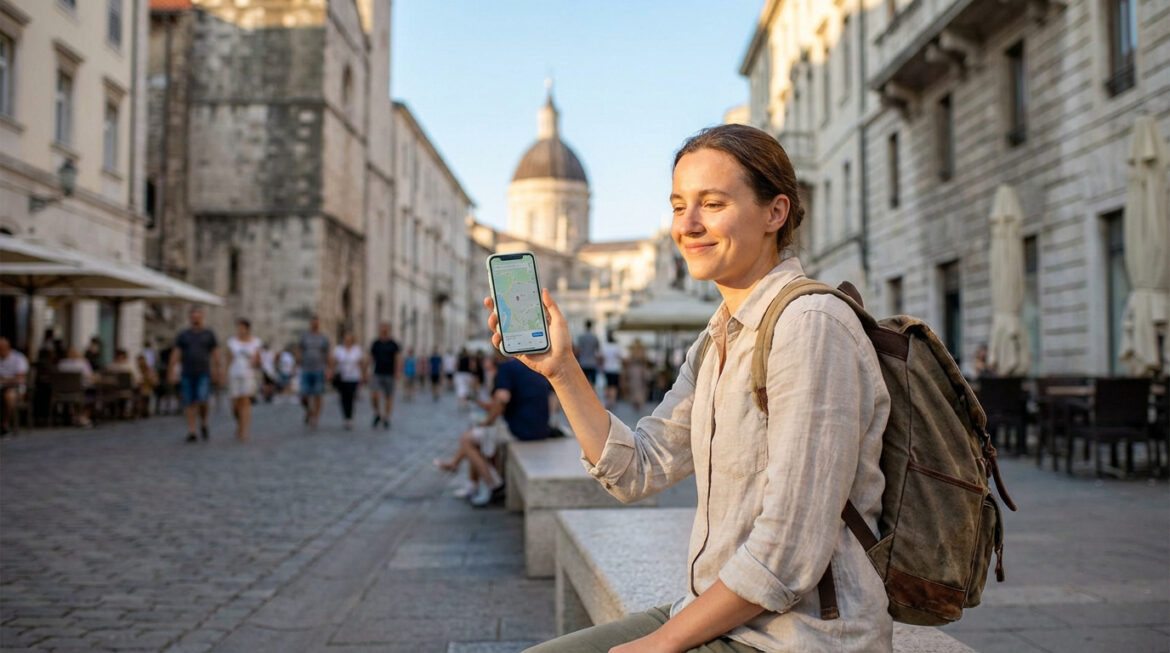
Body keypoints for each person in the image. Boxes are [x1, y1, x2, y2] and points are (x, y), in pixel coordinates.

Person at [491, 124, 892, 652]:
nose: (689, 225)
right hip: (722, 612)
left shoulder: (811, 325)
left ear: (776, 212)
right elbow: (639, 468)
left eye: (713, 203)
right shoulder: (719, 335)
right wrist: (562, 369)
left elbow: (787, 553)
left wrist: (657, 646)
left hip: (799, 636)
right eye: (679, 206)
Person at [433, 351, 553, 507]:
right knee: (479, 436)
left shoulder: (507, 368)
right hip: (541, 429)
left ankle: (494, 484)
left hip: (519, 431)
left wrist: (488, 421)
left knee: (467, 440)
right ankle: (471, 479)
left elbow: (503, 399)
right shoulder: (537, 366)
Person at [169, 307, 221, 442]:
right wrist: (172, 370)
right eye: (194, 317)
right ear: (190, 319)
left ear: (202, 318)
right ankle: (192, 430)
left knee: (203, 400)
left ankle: (203, 422)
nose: (196, 320)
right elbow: (176, 353)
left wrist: (217, 370)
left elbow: (215, 353)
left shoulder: (209, 334)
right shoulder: (184, 335)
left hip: (203, 372)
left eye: (198, 317)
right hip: (187, 372)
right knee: (189, 402)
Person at [226, 319, 262, 441]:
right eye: (239, 328)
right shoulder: (232, 342)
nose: (240, 330)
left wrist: (255, 361)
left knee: (245, 402)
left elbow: (259, 360)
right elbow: (228, 359)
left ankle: (244, 430)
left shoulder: (255, 342)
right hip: (234, 374)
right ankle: (239, 421)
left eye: (242, 328)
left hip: (248, 374)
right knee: (235, 404)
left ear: (247, 329)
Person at [298, 315, 330, 428]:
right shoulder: (304, 337)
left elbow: (327, 353)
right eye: (313, 322)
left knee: (318, 394)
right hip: (306, 369)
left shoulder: (323, 338)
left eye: (316, 322)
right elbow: (299, 349)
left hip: (319, 369)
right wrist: (297, 362)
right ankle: (309, 411)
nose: (314, 324)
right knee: (303, 395)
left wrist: (329, 369)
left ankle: (315, 417)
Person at [368, 323, 400, 429]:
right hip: (377, 372)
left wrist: (398, 371)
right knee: (374, 395)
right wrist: (365, 370)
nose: (383, 331)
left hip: (389, 373)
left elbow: (398, 358)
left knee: (388, 396)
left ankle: (386, 417)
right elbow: (370, 357)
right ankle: (377, 413)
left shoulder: (393, 344)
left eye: (385, 329)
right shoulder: (376, 343)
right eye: (382, 329)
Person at [331, 332, 363, 430]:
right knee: (343, 397)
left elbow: (360, 363)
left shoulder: (357, 350)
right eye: (346, 339)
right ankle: (346, 417)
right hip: (342, 377)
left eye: (349, 339)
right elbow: (334, 362)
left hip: (353, 377)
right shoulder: (338, 349)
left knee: (350, 397)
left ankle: (349, 417)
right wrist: (331, 371)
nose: (347, 341)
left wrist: (363, 375)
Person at [57, 348, 96, 427]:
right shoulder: (82, 363)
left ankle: (75, 416)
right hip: (79, 391)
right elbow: (89, 376)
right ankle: (84, 417)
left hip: (61, 392)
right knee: (92, 394)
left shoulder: (61, 363)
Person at [0, 337, 29, 435]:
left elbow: (20, 378)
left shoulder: (18, 358)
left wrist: (4, 379)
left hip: (16, 390)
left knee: (9, 396)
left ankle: (5, 423)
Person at [625, 338, 650, 414]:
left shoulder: (632, 351)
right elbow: (645, 362)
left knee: (634, 387)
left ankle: (636, 402)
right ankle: (639, 403)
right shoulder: (642, 351)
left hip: (633, 370)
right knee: (640, 387)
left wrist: (627, 371)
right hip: (640, 370)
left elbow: (628, 362)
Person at [600, 331, 624, 409]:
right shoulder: (616, 346)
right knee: (614, 386)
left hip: (606, 368)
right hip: (615, 369)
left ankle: (607, 401)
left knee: (607, 385)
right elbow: (620, 357)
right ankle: (612, 402)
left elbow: (601, 358)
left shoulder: (605, 346)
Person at [574, 319, 600, 389]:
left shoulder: (581, 337)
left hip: (583, 362)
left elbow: (577, 350)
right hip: (592, 363)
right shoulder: (595, 337)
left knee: (583, 383)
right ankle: (593, 398)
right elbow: (597, 351)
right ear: (591, 326)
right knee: (593, 383)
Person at [135, 353, 158, 417]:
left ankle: (144, 410)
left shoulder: (149, 369)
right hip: (139, 388)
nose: (141, 363)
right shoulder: (136, 369)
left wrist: (148, 378)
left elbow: (154, 381)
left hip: (146, 388)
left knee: (145, 392)